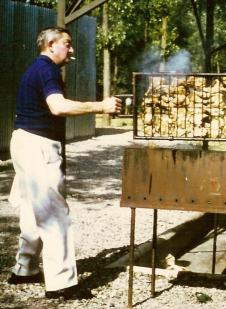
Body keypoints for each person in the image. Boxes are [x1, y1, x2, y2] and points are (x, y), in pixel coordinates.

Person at [7, 26, 121, 299]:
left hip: (23, 140)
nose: (71, 50)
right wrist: (101, 106)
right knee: (56, 216)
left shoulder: (37, 68)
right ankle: (62, 284)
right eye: (67, 44)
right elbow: (58, 106)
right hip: (39, 146)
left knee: (33, 211)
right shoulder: (47, 69)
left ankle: (25, 269)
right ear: (50, 45)